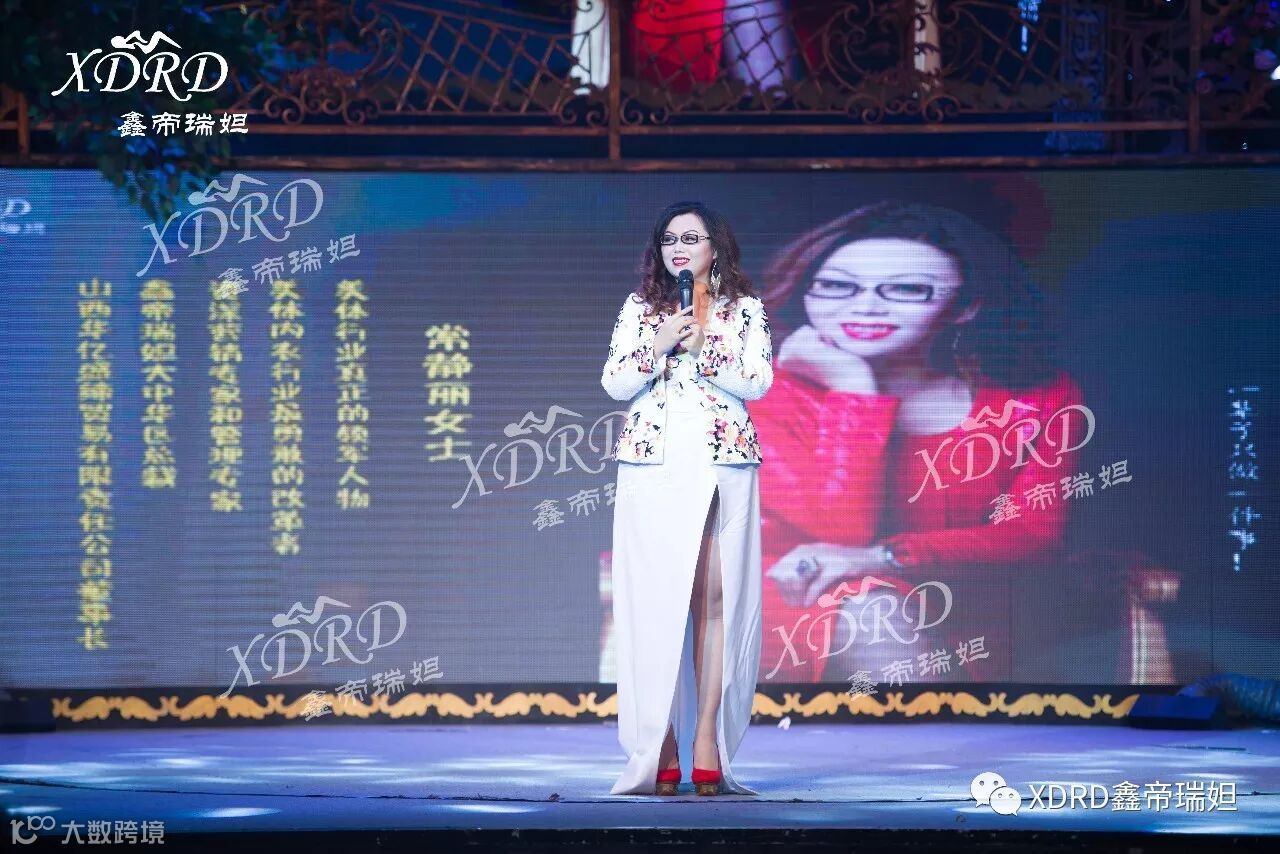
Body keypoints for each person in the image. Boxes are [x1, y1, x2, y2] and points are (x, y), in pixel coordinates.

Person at [747, 201, 1090, 685]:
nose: (865, 307)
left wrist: (885, 557)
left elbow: (1033, 535)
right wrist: (854, 390)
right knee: (876, 613)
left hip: (958, 613)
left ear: (967, 306)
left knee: (888, 616)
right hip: (790, 595)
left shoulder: (1033, 401)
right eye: (837, 286)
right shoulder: (761, 392)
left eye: (908, 289)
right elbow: (842, 529)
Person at [601, 201, 774, 796]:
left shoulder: (744, 309)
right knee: (659, 602)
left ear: (714, 248)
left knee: (715, 598)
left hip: (722, 458)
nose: (679, 248)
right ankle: (662, 739)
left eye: (691, 238)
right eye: (670, 239)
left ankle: (706, 737)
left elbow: (758, 381)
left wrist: (707, 348)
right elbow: (615, 382)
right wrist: (656, 345)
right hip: (654, 462)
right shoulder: (640, 308)